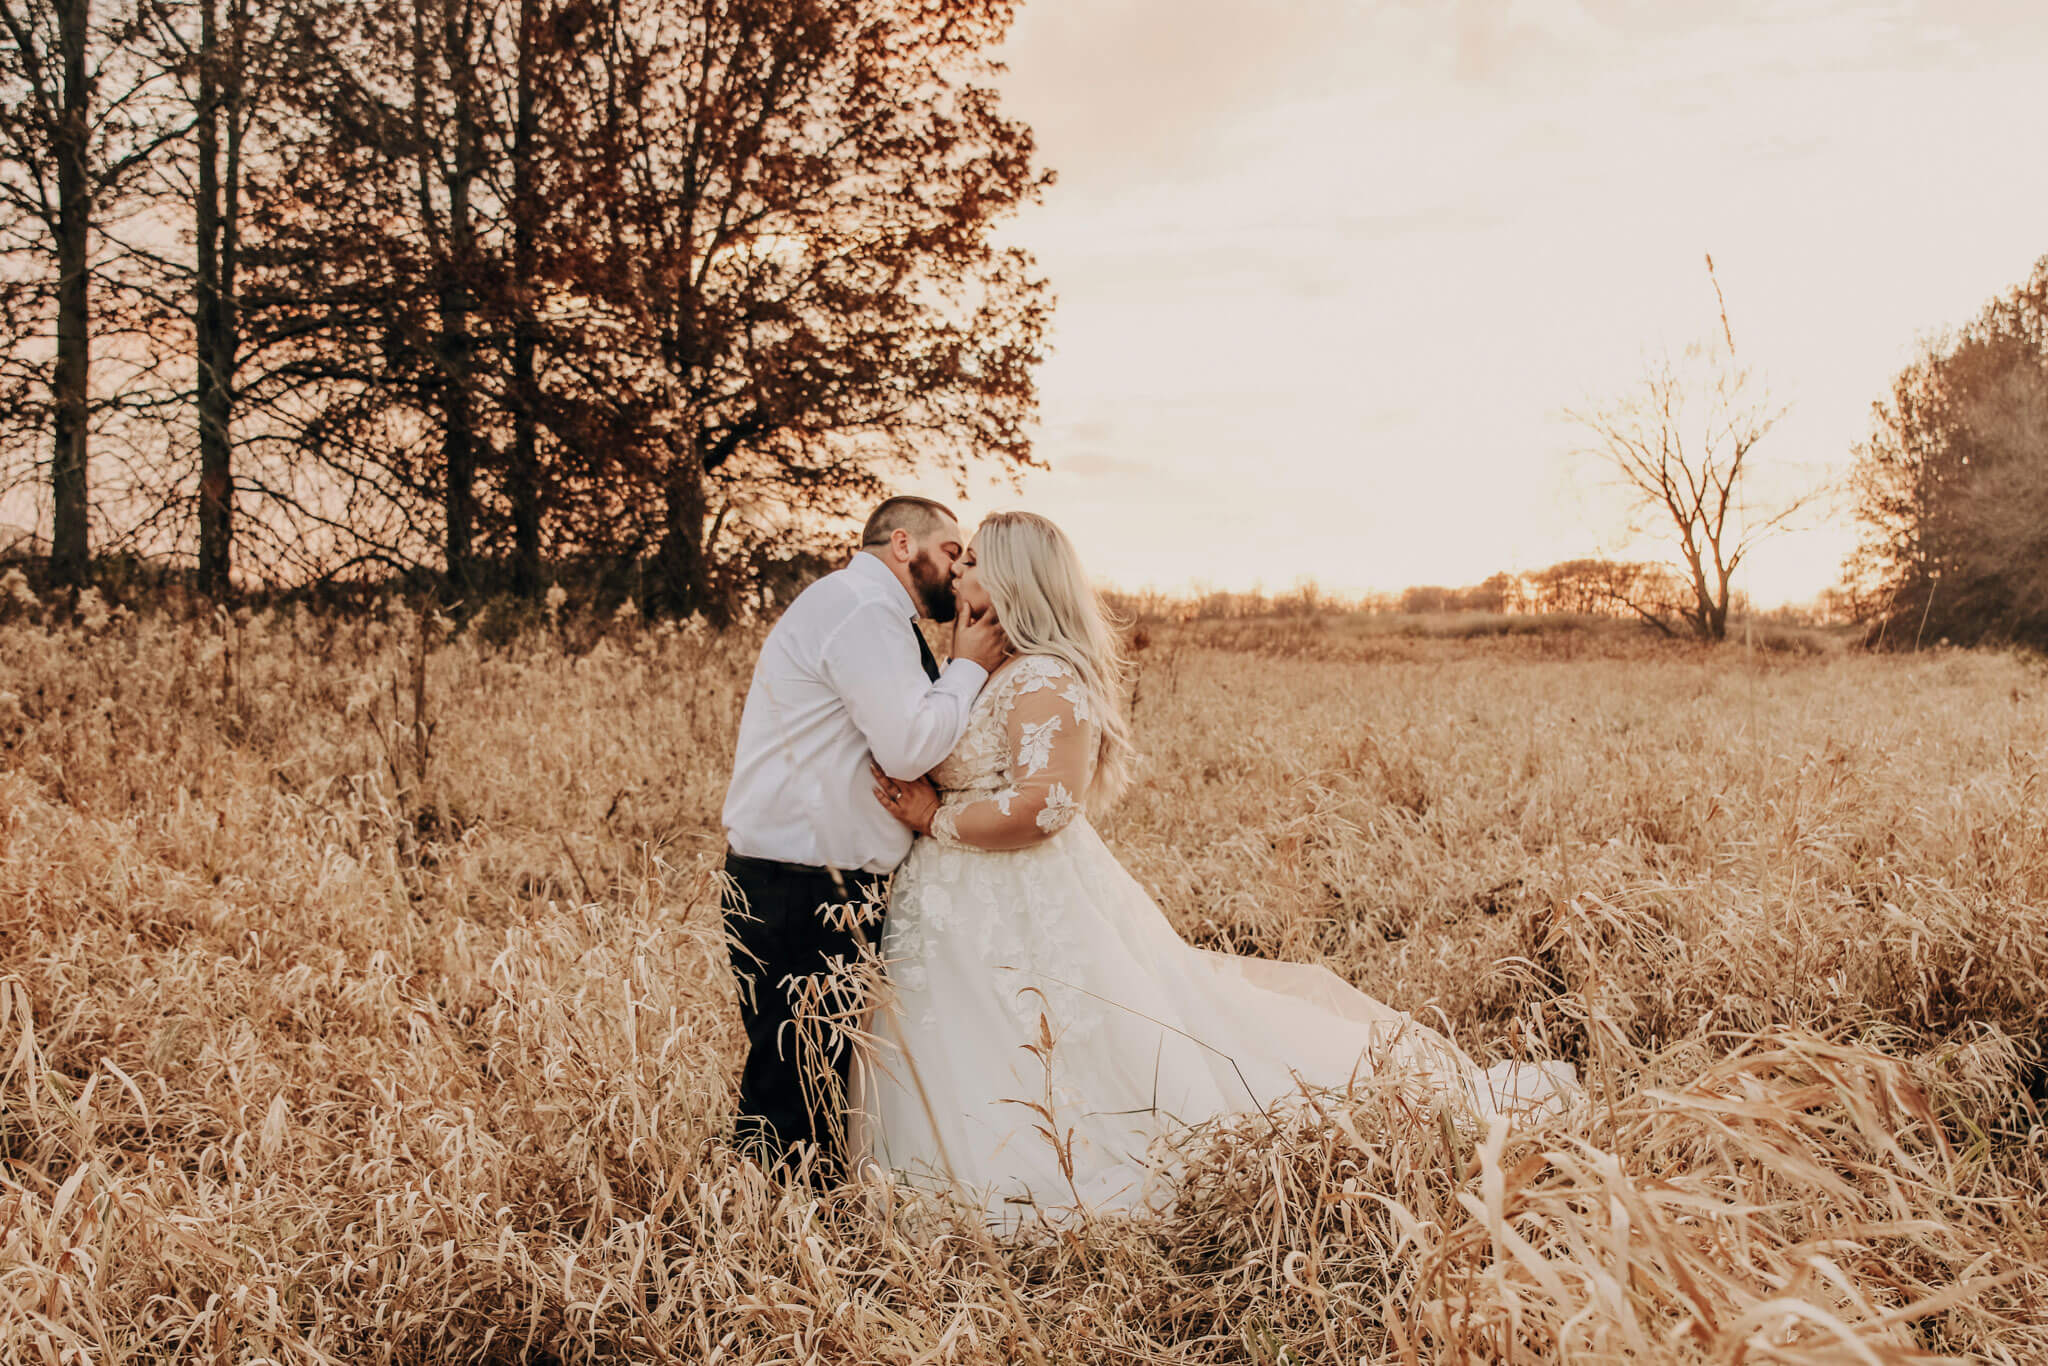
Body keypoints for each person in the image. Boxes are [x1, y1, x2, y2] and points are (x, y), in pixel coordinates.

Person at [853, 511, 1576, 1224]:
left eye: (973, 559)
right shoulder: (985, 667)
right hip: (953, 898)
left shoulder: (1043, 677)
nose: (958, 569)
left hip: (1016, 891)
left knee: (1068, 1040)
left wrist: (933, 818)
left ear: (1013, 576)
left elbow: (1045, 807)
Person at [720, 495, 1009, 1177]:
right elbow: (909, 746)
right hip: (801, 881)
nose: (958, 566)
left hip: (811, 876)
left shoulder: (864, 610)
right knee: (794, 1077)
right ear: (903, 543)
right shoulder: (862, 611)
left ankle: (796, 1223)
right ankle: (774, 1240)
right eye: (950, 551)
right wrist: (967, 665)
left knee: (813, 1072)